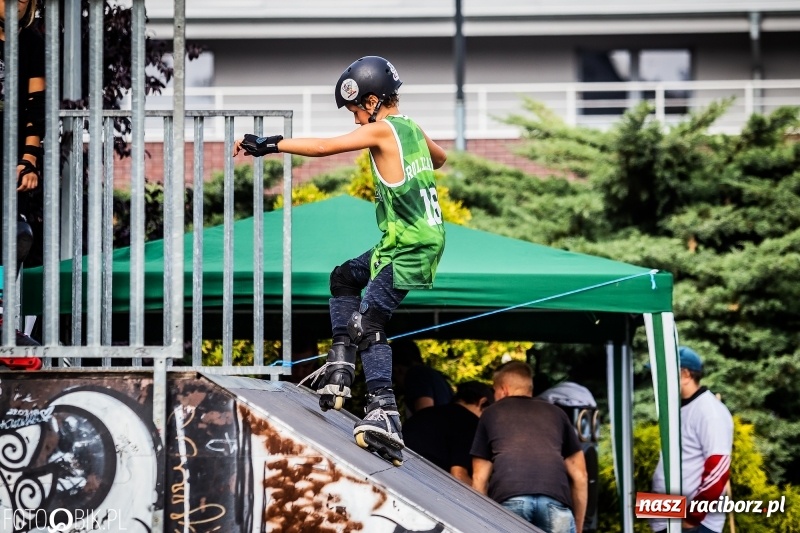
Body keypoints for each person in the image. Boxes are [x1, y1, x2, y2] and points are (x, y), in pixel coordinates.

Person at [233, 56, 446, 460]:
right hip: (403, 240)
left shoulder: (383, 130)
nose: (354, 121)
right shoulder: (411, 129)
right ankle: (341, 365)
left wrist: (271, 143)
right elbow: (440, 159)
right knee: (344, 278)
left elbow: (324, 147)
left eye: (354, 110)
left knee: (369, 323)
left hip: (410, 245)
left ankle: (384, 410)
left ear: (371, 101)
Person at [471, 361, 587, 533]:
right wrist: (577, 527)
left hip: (510, 501)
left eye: (494, 391)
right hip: (554, 502)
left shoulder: (491, 413)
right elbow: (581, 476)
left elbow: (479, 479)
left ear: (503, 390)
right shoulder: (557, 414)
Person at [650, 346, 733, 533]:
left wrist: (693, 517)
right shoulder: (681, 408)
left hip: (694, 525)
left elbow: (718, 468)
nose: (659, 379)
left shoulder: (709, 411)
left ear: (686, 374)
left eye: (665, 372)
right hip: (670, 519)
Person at [0, 0, 43, 349]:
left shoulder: (29, 40)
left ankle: (3, 319)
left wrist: (29, 159)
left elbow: (36, 105)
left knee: (15, 235)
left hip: (10, 151)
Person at [403, 380, 493, 484]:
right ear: (482, 402)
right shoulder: (471, 422)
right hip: (423, 480)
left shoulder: (426, 413)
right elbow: (459, 475)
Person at [391, 338, 453, 417]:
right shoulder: (434, 376)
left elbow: (424, 416)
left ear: (397, 370)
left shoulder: (416, 375)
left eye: (394, 379)